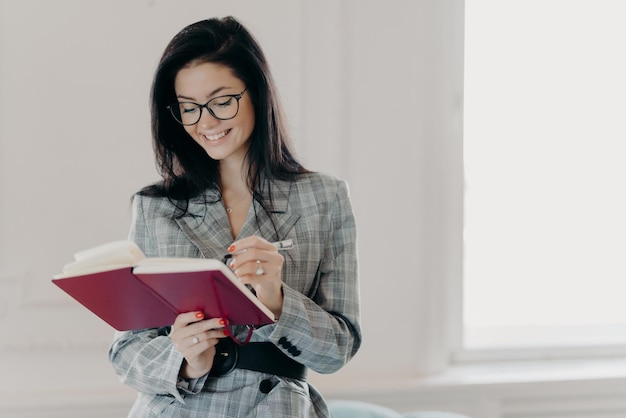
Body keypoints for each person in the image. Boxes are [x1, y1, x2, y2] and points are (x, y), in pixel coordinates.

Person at [108, 16, 361, 418]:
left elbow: (339, 349)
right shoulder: (155, 207)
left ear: (257, 93)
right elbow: (126, 351)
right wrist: (186, 358)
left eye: (222, 101)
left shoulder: (324, 198)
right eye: (188, 108)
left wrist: (277, 301)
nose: (205, 123)